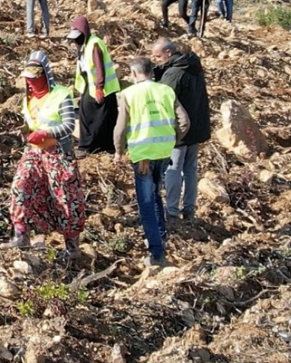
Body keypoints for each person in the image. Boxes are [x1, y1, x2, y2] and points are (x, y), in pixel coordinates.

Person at [0, 50, 85, 260]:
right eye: (29, 79)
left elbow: (68, 125)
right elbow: (31, 122)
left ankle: (72, 247)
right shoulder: (28, 99)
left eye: (35, 78)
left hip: (57, 153)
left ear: (45, 75)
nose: (32, 83)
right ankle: (21, 234)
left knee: (65, 196)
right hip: (35, 152)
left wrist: (47, 132)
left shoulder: (61, 94)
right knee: (21, 184)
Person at [114, 57, 189, 267]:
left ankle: (156, 252)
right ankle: (161, 233)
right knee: (156, 193)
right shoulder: (165, 90)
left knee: (145, 202)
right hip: (164, 152)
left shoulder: (128, 94)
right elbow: (184, 121)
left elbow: (120, 128)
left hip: (143, 156)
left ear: (136, 73)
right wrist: (175, 139)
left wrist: (118, 152)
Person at [151, 38, 211, 223]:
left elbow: (164, 103)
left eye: (158, 56)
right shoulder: (194, 67)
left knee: (173, 169)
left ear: (169, 53)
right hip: (196, 128)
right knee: (191, 170)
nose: (156, 60)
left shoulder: (173, 74)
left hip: (179, 131)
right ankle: (189, 210)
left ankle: (172, 211)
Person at [67, 16, 121, 157]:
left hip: (103, 88)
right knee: (86, 114)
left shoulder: (94, 44)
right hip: (89, 86)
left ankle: (102, 146)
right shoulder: (84, 45)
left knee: (104, 118)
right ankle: (87, 146)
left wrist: (99, 87)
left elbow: (99, 67)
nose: (75, 41)